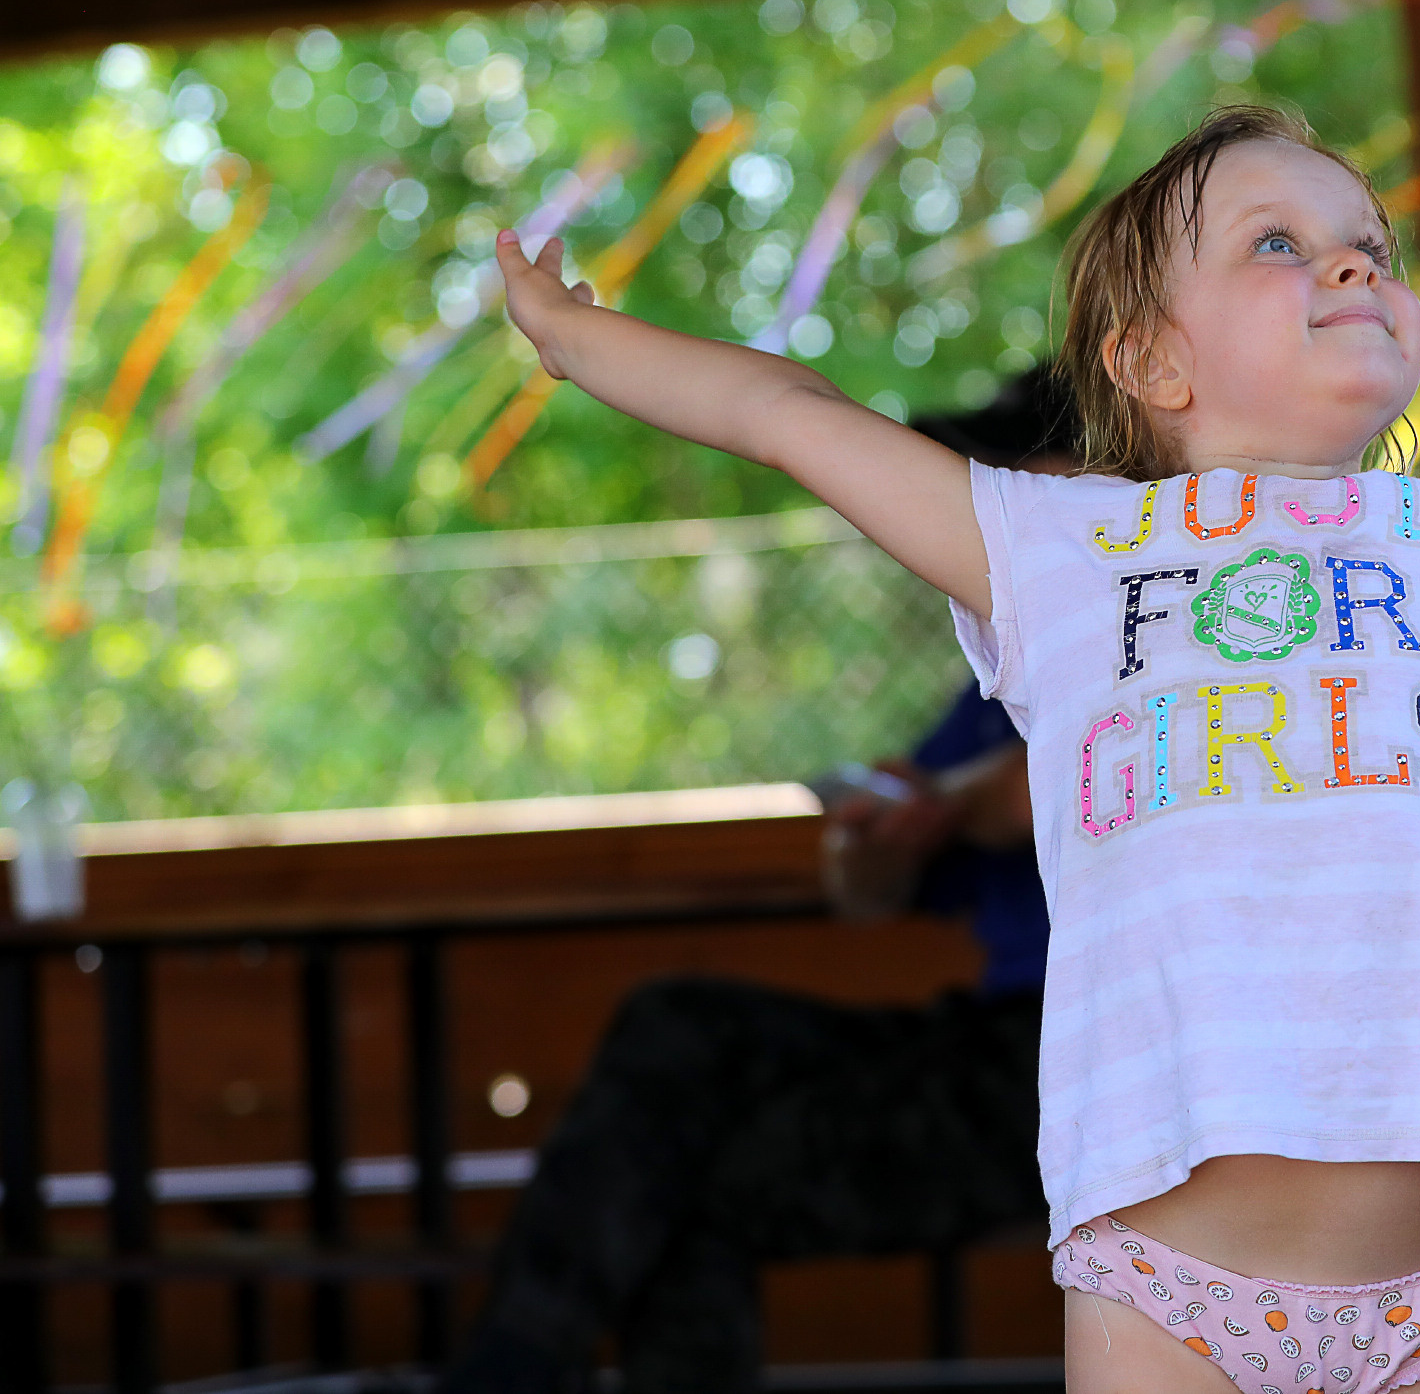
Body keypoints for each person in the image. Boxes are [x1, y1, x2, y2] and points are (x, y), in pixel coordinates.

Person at [498, 103, 1420, 1393]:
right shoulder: (1058, 551)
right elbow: (786, 414)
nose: (1353, 260)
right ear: (1150, 359)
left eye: (1370, 245)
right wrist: (577, 336)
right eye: (1278, 244)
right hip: (1170, 1288)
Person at [439, 373, 1077, 1394]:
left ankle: (503, 1379)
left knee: (680, 1185)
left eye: (1011, 483)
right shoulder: (1000, 665)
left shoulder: (1167, 636)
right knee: (678, 1025)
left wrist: (945, 803)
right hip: (992, 1035)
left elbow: (1048, 782)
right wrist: (880, 837)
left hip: (1088, 1070)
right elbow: (864, 896)